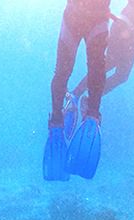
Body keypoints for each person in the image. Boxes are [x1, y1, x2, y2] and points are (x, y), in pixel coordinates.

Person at [43, 0, 112, 181]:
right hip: (83, 17)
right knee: (85, 69)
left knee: (72, 71)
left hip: (85, 17)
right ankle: (84, 115)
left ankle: (70, 117)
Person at [71, 0, 134, 101]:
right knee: (110, 65)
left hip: (131, 34)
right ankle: (78, 95)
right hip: (124, 28)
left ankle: (87, 98)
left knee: (120, 74)